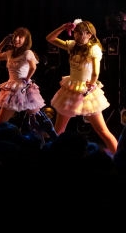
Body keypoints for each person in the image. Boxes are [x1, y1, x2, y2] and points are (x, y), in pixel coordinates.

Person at [46, 18, 119, 153]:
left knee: (103, 131)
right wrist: (63, 27)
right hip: (71, 89)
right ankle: (53, 157)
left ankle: (119, 157)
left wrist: (91, 85)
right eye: (75, 32)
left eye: (80, 33)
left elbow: (96, 73)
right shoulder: (73, 45)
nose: (76, 35)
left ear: (89, 35)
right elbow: (50, 38)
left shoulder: (94, 49)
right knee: (58, 130)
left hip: (86, 91)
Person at [0, 27, 46, 127]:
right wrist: (3, 43)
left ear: (26, 40)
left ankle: (44, 136)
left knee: (38, 122)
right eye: (15, 36)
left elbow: (33, 67)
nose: (16, 39)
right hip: (12, 88)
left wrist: (27, 79)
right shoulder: (10, 53)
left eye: (20, 37)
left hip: (25, 88)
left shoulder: (27, 52)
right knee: (0, 122)